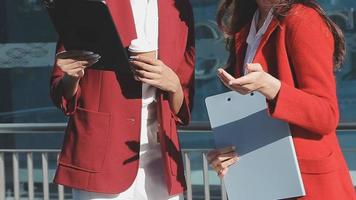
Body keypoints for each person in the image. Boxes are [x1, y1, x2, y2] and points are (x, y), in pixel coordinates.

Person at [208, 0, 356, 199]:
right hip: (266, 182)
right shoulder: (246, 27)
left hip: (308, 186)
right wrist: (228, 154)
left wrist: (271, 87)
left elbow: (326, 114)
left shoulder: (303, 19)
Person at [49, 0, 195, 199]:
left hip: (161, 158)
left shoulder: (178, 6)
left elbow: (184, 101)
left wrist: (174, 85)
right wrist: (72, 76)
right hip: (102, 155)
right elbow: (60, 92)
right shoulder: (92, 4)